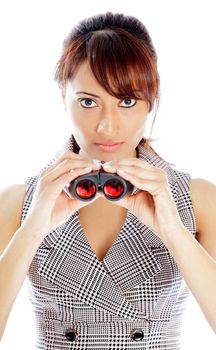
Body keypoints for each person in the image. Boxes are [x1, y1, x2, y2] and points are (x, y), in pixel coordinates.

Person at [0, 11, 215, 350]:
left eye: (127, 101)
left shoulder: (197, 198)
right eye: (88, 102)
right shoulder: (17, 202)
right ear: (62, 99)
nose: (107, 127)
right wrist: (33, 229)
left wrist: (174, 232)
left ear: (151, 101)